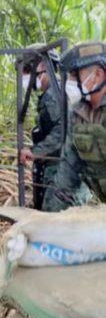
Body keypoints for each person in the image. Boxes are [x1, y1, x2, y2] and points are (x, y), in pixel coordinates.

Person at [46, 41, 106, 211]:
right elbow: (68, 170)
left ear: (98, 75)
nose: (68, 82)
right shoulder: (77, 114)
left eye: (74, 75)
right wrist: (51, 219)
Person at [18, 46, 64, 210]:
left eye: (28, 69)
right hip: (55, 168)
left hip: (59, 170)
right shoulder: (52, 93)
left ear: (43, 66)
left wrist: (35, 152)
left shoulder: (53, 94)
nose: (24, 75)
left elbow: (62, 131)